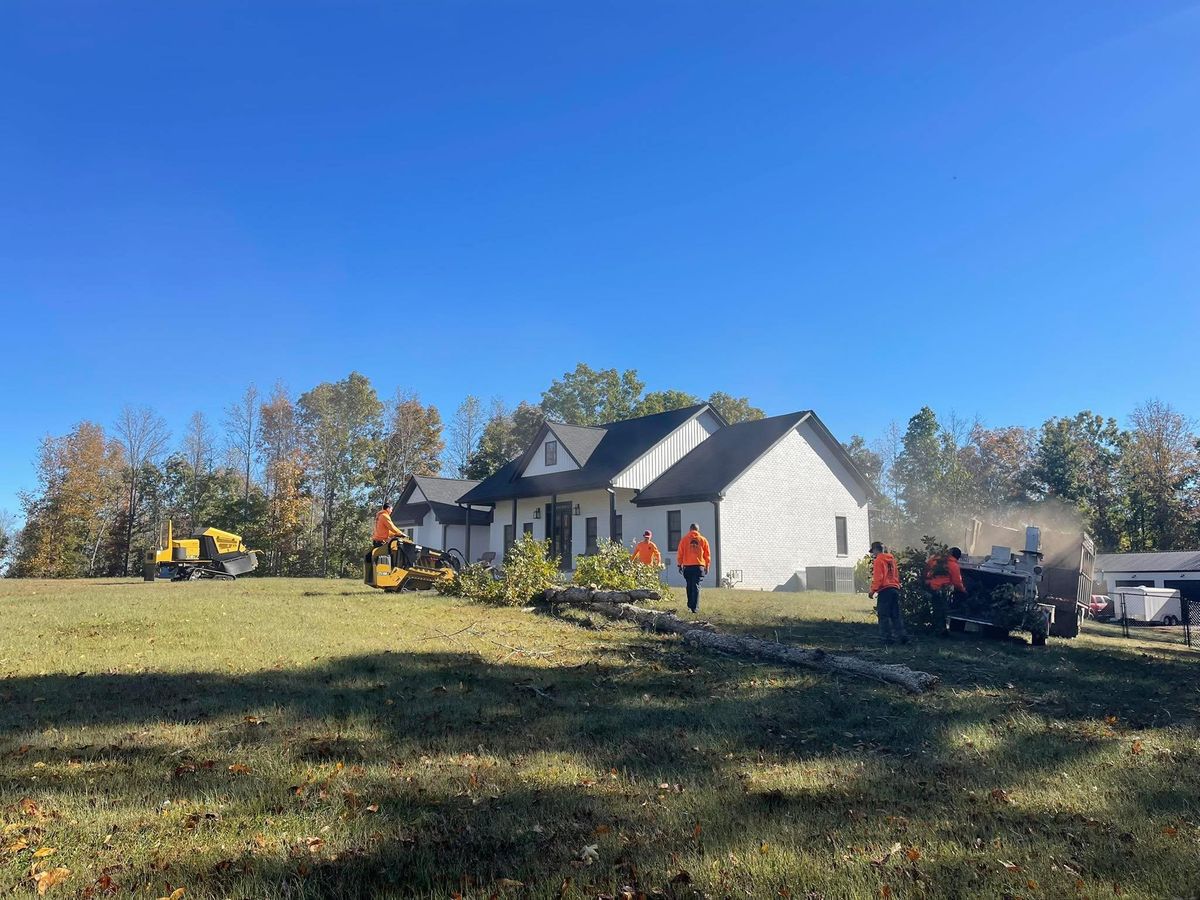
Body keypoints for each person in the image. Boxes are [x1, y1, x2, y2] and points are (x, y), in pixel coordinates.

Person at [868, 540, 907, 645]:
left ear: (876, 550)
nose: (873, 554)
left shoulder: (878, 560)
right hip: (895, 588)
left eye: (873, 552)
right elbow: (895, 575)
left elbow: (879, 577)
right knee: (896, 615)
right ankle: (902, 636)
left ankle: (886, 639)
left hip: (885, 590)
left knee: (884, 615)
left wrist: (873, 590)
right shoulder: (891, 560)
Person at [925, 546, 967, 636]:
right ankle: (941, 631)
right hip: (942, 589)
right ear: (957, 557)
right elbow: (957, 582)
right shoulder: (953, 565)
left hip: (930, 587)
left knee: (936, 609)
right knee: (942, 611)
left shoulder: (935, 559)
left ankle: (936, 629)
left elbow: (927, 566)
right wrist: (963, 590)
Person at [676, 523, 711, 614]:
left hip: (687, 567)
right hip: (699, 567)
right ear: (698, 530)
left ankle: (690, 605)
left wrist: (679, 565)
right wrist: (707, 566)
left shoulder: (684, 540)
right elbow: (707, 555)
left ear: (690, 529)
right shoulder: (703, 540)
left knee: (689, 585)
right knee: (696, 586)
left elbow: (680, 553)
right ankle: (694, 608)